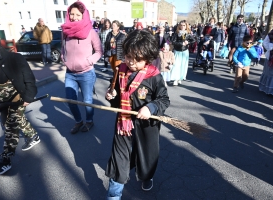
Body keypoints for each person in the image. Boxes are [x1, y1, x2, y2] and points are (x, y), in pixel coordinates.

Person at [104, 29, 170, 199]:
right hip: (123, 124)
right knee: (119, 159)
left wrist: (151, 108)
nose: (131, 62)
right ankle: (113, 195)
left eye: (137, 59)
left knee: (145, 157)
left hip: (145, 126)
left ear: (147, 58)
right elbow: (116, 98)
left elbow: (164, 99)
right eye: (128, 56)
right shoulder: (120, 71)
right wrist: (112, 96)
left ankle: (147, 176)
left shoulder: (154, 76)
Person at [0, 27, 40, 175]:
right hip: (3, 102)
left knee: (10, 127)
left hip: (18, 98)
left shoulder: (14, 58)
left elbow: (29, 79)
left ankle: (6, 160)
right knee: (13, 121)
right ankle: (33, 135)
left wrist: (29, 97)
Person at [61, 1, 102, 134]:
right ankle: (78, 121)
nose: (74, 17)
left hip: (86, 73)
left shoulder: (90, 32)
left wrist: (88, 61)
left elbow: (99, 52)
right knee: (71, 100)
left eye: (77, 14)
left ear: (83, 15)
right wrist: (64, 58)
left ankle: (89, 121)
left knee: (87, 100)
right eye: (71, 14)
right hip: (70, 73)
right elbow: (63, 49)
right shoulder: (65, 31)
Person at [170, 20, 196, 85]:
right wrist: (181, 43)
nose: (182, 26)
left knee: (183, 65)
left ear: (186, 26)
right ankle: (175, 79)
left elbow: (194, 40)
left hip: (185, 52)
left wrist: (188, 42)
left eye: (184, 25)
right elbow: (173, 42)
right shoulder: (176, 33)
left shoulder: (188, 33)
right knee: (176, 65)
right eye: (181, 25)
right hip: (177, 51)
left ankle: (180, 78)